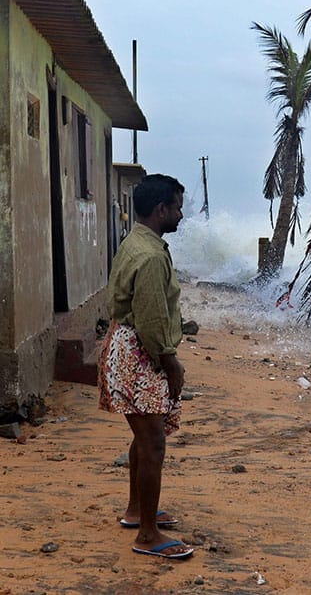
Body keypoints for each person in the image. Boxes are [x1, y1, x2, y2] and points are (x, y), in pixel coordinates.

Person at [98, 174, 193, 560]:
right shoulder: (152, 256)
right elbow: (153, 320)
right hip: (140, 352)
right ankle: (149, 536)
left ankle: (138, 511)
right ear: (161, 210)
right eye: (177, 207)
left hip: (126, 347)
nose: (181, 214)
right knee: (153, 441)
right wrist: (172, 365)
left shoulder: (137, 240)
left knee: (144, 435)